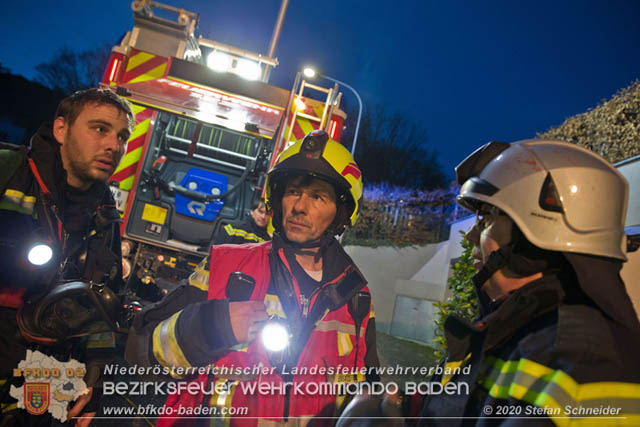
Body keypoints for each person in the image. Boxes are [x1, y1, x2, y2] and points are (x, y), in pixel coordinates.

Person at [125, 129, 379, 426]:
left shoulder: (356, 297)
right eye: (293, 191)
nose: (299, 206)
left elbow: (366, 394)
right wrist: (209, 326)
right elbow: (140, 354)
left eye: (318, 196)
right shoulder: (227, 264)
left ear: (341, 212)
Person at [402, 140, 640, 425]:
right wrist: (406, 407)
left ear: (534, 236)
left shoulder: (585, 361)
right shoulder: (516, 328)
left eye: (485, 219)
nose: (470, 237)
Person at [0, 88, 134, 426]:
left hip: (38, 388)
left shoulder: (105, 218)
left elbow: (102, 310)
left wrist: (94, 380)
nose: (113, 146)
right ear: (61, 129)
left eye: (122, 137)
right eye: (99, 129)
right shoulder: (7, 171)